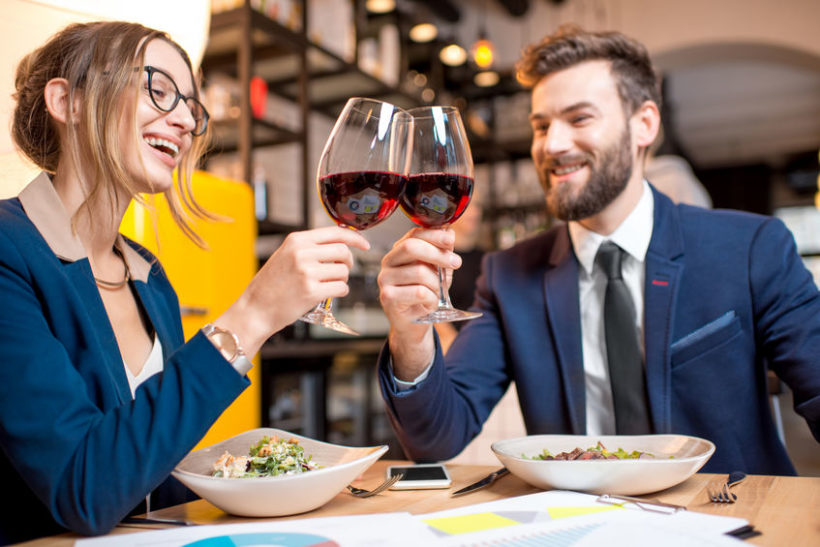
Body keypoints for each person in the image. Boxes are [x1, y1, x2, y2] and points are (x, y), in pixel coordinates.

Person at [375, 25, 820, 476]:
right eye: (541, 125)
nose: (553, 145)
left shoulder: (749, 248)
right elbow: (436, 439)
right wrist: (409, 336)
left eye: (580, 118)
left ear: (644, 124)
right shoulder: (509, 275)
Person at [0, 21, 368, 543]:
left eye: (191, 108)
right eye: (159, 88)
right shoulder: (9, 252)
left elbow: (156, 473)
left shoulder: (149, 277)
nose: (182, 120)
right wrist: (252, 317)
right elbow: (83, 488)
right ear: (69, 101)